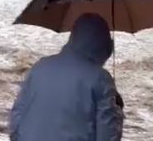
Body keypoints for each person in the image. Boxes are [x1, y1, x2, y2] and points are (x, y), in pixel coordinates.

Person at [9, 13, 124, 141]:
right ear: (104, 45)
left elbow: (16, 119)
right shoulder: (100, 79)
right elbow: (107, 136)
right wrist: (117, 111)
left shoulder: (40, 67)